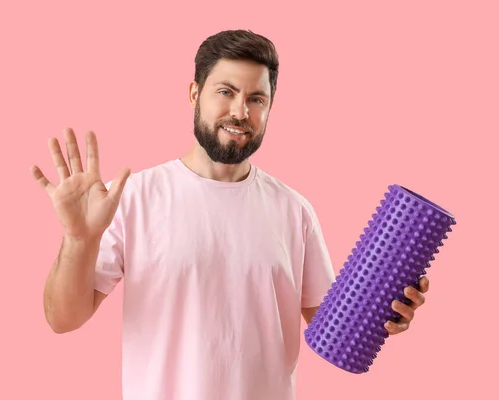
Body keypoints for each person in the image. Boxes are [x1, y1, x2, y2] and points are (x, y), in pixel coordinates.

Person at [31, 29, 429, 400]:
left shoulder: (294, 210)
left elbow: (338, 330)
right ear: (194, 93)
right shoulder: (134, 196)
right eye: (226, 91)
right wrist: (79, 239)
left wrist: (388, 312)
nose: (241, 112)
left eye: (257, 98)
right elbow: (63, 319)